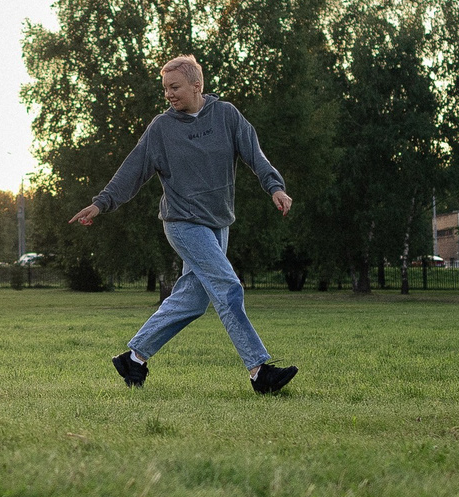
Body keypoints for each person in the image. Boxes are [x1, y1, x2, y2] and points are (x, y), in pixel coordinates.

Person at [70, 54, 299, 394]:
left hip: (217, 223)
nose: (169, 95)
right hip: (182, 222)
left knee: (192, 301)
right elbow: (133, 169)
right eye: (165, 89)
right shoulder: (162, 128)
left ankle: (134, 357)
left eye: (174, 87)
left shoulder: (226, 115)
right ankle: (259, 371)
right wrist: (102, 203)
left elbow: (255, 153)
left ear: (197, 85)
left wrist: (275, 187)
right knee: (228, 287)